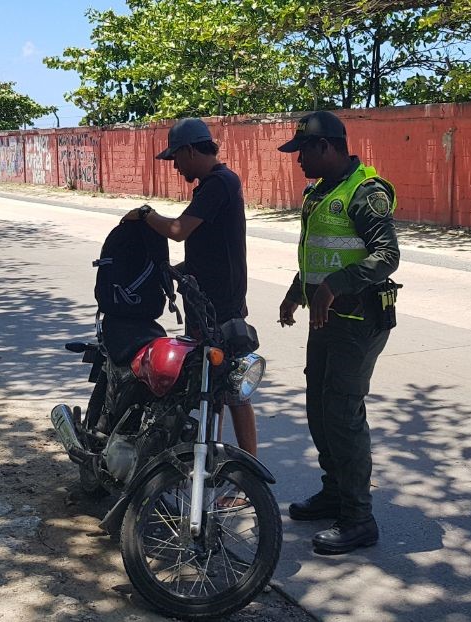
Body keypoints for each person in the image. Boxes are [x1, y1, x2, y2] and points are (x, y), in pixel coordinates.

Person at [276, 111, 399, 555]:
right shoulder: (318, 193)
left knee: (344, 415)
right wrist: (296, 293)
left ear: (326, 146)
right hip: (325, 320)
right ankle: (335, 492)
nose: (298, 161)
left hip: (359, 321)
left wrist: (334, 287)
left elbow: (387, 256)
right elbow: (316, 253)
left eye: (303, 151)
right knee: (319, 410)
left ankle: (358, 517)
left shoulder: (366, 192)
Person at [121, 118, 258, 456]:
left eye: (176, 158)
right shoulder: (214, 185)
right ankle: (211, 458)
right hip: (206, 304)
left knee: (234, 391)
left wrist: (145, 214)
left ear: (190, 150)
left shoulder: (220, 183)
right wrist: (172, 272)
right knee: (213, 388)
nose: (176, 166)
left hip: (221, 308)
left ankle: (249, 469)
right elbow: (208, 250)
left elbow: (179, 230)